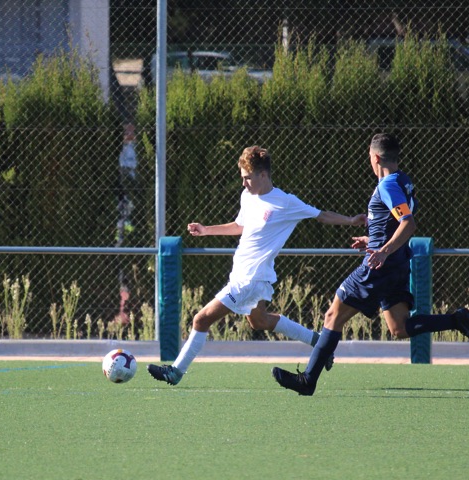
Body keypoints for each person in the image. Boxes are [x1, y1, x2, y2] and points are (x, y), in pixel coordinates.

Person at [272, 133, 469, 396]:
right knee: (399, 327)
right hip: (396, 264)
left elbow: (408, 223)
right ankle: (456, 320)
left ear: (374, 157)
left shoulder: (387, 185)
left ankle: (308, 380)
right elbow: (393, 222)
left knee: (332, 316)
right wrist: (372, 240)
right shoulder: (403, 180)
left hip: (380, 267)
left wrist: (382, 250)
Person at [148, 145, 367, 386]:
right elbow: (240, 226)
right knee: (259, 321)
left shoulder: (286, 202)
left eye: (248, 178)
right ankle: (319, 342)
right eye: (242, 178)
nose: (243, 183)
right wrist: (206, 230)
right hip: (243, 275)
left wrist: (351, 221)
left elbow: (321, 215)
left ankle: (175, 372)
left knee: (201, 319)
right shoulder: (247, 196)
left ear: (263, 175)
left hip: (251, 279)